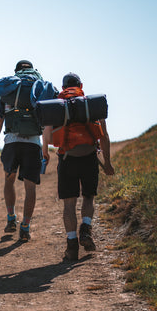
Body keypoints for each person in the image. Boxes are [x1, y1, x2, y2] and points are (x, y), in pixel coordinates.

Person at [42, 72, 115, 261]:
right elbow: (104, 136)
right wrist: (107, 163)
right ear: (81, 84)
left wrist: (45, 151)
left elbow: (49, 138)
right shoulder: (92, 104)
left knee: (69, 204)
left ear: (63, 86)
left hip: (67, 159)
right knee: (89, 197)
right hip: (90, 157)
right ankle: (86, 229)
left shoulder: (56, 106)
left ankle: (72, 246)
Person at [0, 60, 50, 242]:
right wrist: (45, 149)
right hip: (33, 142)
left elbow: (0, 117)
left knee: (9, 180)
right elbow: (48, 119)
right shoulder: (39, 86)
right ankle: (25, 226)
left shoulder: (9, 87)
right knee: (30, 187)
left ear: (16, 71)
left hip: (11, 141)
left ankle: (11, 218)